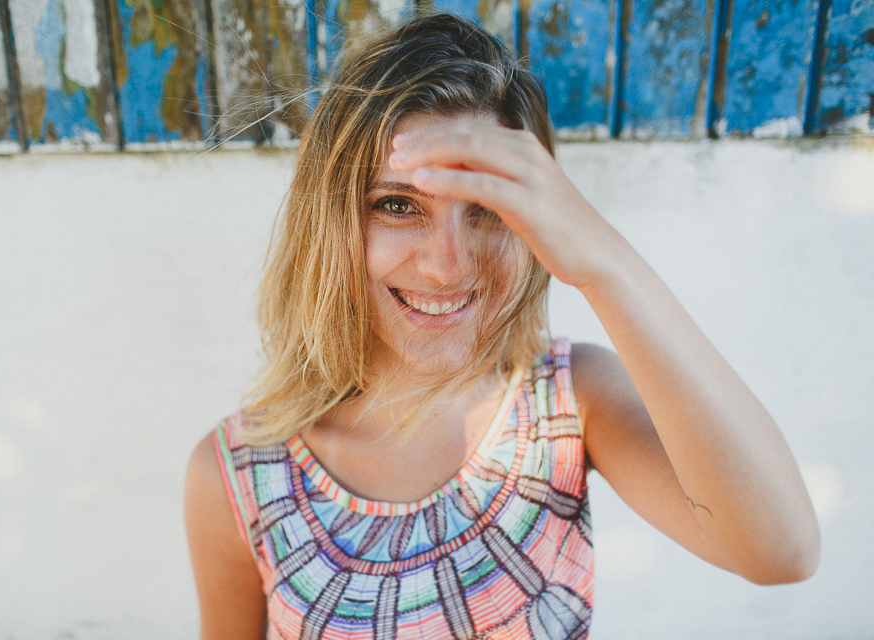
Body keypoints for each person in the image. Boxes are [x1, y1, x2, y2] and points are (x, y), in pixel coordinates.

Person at [184, 13, 820, 640]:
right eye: (398, 205)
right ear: (329, 223)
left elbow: (781, 552)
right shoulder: (238, 473)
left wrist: (609, 266)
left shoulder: (572, 403)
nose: (448, 265)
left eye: (489, 208)